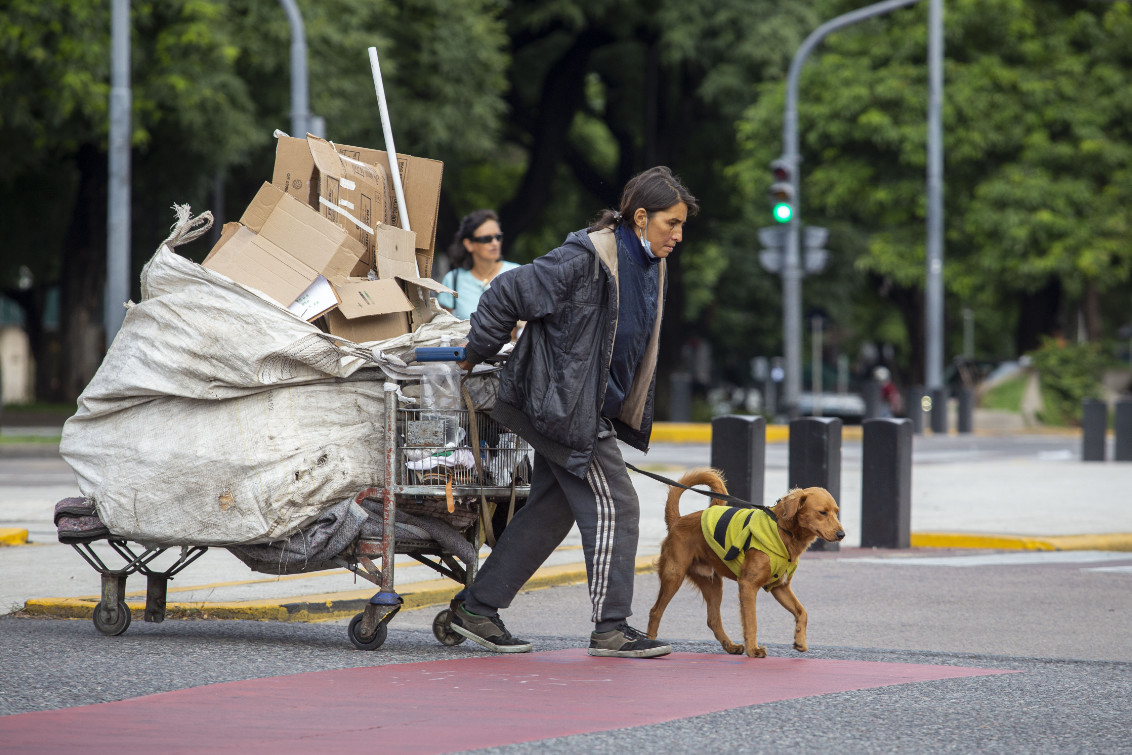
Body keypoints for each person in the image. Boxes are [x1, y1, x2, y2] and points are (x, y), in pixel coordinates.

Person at [448, 166, 699, 658]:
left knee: (548, 511)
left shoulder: (650, 263)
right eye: (672, 223)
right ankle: (610, 627)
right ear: (641, 217)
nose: (678, 235)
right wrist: (476, 350)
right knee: (618, 506)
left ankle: (475, 610)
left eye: (682, 225)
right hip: (564, 410)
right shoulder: (584, 259)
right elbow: (507, 291)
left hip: (584, 408)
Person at [436, 210, 520, 320]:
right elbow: (445, 327)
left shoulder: (516, 273)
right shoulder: (453, 279)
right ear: (469, 244)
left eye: (498, 237)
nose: (495, 243)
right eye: (486, 239)